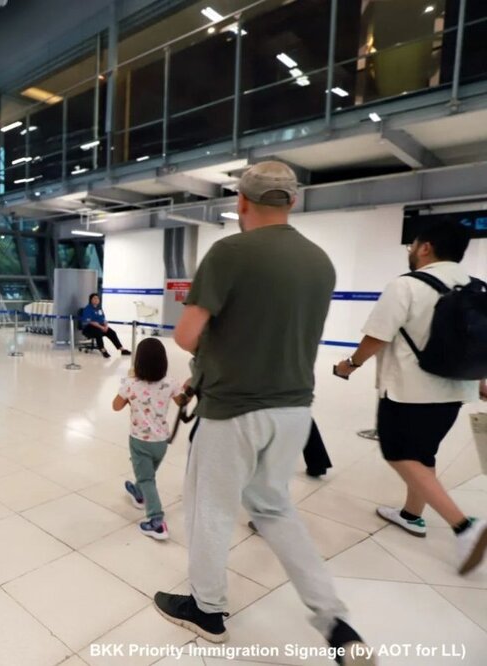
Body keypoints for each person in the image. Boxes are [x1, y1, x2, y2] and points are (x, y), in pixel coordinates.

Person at [153, 161, 372, 660]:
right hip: (294, 408)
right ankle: (336, 622)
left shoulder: (229, 252)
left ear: (241, 202)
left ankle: (207, 611)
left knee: (210, 509)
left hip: (232, 410)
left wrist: (214, 354)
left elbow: (186, 335)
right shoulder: (320, 261)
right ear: (293, 202)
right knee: (275, 510)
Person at [335, 221, 487, 575]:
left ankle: (464, 526)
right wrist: (477, 382)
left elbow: (377, 337)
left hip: (408, 390)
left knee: (398, 452)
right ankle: (411, 514)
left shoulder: (406, 286)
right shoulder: (473, 286)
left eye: (412, 244)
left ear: (425, 248)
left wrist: (350, 364)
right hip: (454, 391)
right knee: (424, 453)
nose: (409, 250)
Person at [113, 338, 181, 540]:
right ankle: (138, 492)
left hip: (139, 441)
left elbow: (115, 406)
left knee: (147, 478)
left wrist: (128, 388)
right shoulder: (170, 383)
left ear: (138, 362)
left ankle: (156, 522)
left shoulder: (131, 385)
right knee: (147, 473)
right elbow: (181, 400)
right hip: (161, 442)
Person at [81, 293, 130, 359]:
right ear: (90, 300)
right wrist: (101, 327)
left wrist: (106, 326)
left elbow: (103, 319)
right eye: (94, 298)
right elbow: (90, 321)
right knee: (98, 333)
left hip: (100, 326)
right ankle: (103, 350)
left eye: (97, 298)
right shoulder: (88, 309)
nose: (96, 300)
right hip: (89, 327)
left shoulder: (99, 308)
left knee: (112, 332)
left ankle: (122, 349)